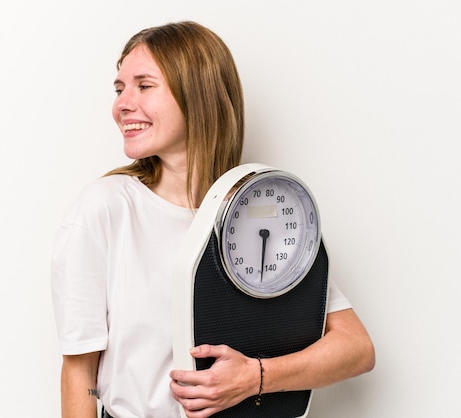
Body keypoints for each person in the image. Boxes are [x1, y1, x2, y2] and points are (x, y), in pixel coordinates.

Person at [51, 21, 375, 418]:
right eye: (119, 88)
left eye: (144, 85)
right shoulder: (106, 208)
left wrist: (256, 377)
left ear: (197, 94)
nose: (122, 104)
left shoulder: (259, 209)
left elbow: (356, 348)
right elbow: (78, 370)